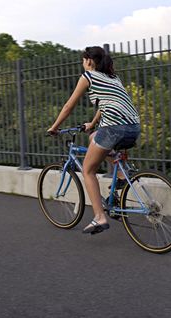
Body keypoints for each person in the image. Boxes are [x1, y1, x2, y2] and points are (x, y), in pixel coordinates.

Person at [47, 46, 141, 235]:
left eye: (83, 60)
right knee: (93, 137)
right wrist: (93, 122)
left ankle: (99, 217)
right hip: (134, 127)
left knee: (88, 170)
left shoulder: (88, 76)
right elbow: (108, 102)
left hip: (113, 128)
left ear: (89, 61)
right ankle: (122, 174)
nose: (83, 63)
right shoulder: (113, 78)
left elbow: (68, 106)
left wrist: (55, 127)